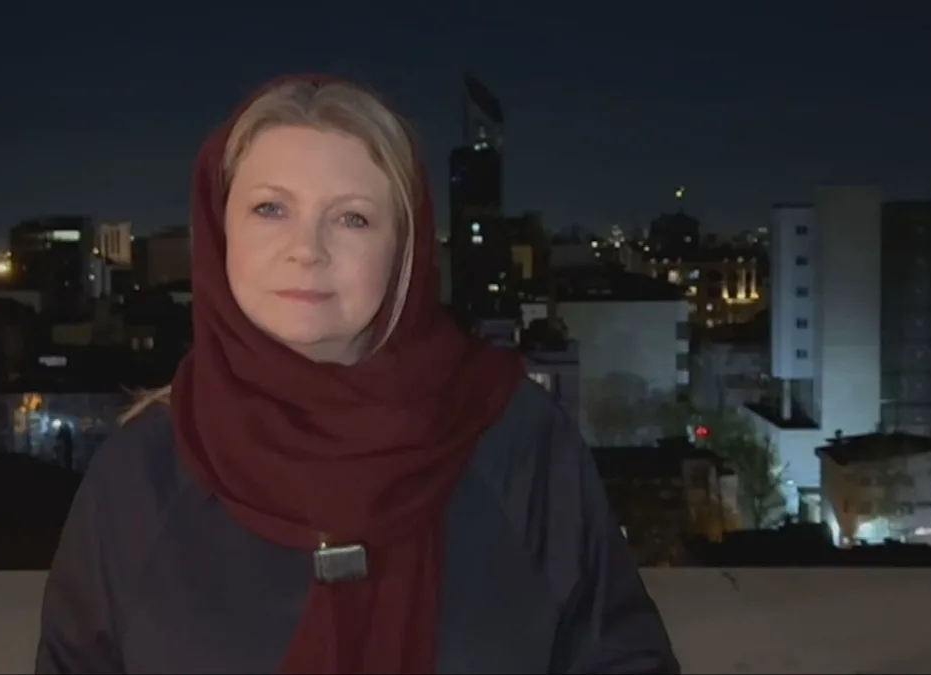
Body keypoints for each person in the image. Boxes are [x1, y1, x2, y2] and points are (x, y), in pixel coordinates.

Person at [35, 74, 679, 674]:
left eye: (352, 218)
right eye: (269, 209)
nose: (307, 249)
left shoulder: (518, 441)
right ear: (218, 229)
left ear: (405, 249)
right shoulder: (143, 469)